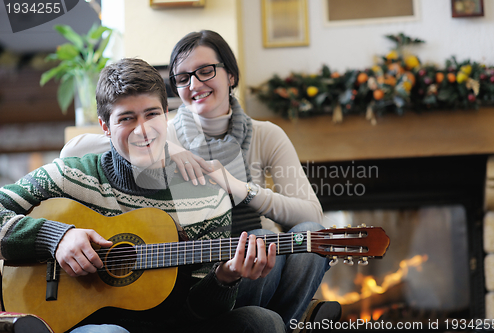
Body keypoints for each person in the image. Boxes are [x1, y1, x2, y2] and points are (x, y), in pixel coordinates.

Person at [60, 31, 341, 332]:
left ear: (231, 74)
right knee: (257, 237)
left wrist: (240, 189)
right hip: (205, 272)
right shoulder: (159, 130)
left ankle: (283, 325)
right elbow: (74, 149)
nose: (194, 84)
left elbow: (313, 215)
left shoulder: (266, 135)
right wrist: (171, 148)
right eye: (182, 78)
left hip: (260, 256)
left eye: (206, 71)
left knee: (309, 237)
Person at [0, 58, 285, 333]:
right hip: (87, 324)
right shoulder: (69, 176)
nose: (143, 129)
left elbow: (196, 312)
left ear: (166, 115)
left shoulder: (208, 198)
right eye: (127, 118)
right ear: (105, 127)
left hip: (177, 324)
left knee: (262, 322)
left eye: (151, 114)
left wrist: (225, 278)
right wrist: (55, 237)